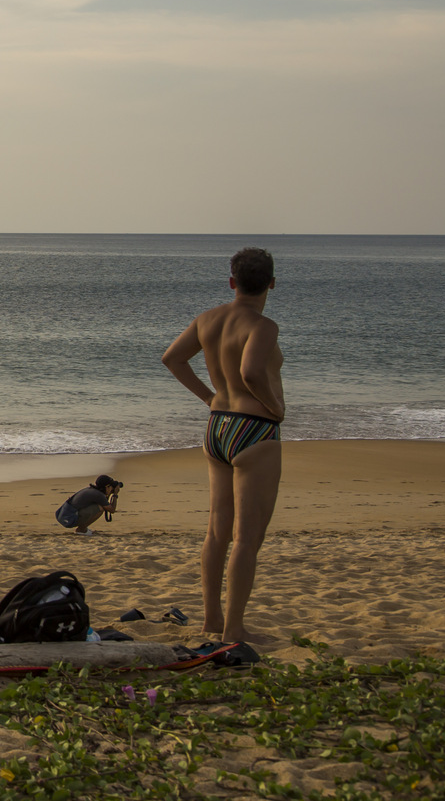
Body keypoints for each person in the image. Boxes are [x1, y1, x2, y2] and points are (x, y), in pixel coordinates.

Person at [162, 247, 284, 645]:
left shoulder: (208, 319)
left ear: (232, 282)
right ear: (271, 282)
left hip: (217, 428)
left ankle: (212, 620)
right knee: (248, 538)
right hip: (254, 429)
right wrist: (274, 406)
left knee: (217, 533)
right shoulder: (263, 325)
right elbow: (250, 371)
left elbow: (173, 359)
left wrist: (210, 397)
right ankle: (234, 628)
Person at [56, 475, 122, 536]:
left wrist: (109, 493)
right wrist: (115, 495)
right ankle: (81, 529)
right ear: (107, 487)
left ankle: (83, 528)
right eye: (111, 487)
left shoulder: (91, 490)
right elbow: (112, 510)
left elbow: (105, 502)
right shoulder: (98, 495)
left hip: (63, 515)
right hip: (69, 519)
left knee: (100, 506)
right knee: (101, 508)